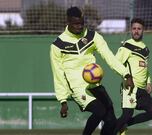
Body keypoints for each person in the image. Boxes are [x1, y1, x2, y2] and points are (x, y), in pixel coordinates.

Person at [50, 7, 134, 135]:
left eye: (82, 23)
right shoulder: (58, 45)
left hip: (94, 83)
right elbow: (58, 73)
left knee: (111, 120)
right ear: (68, 22)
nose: (79, 27)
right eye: (76, 24)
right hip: (77, 87)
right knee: (99, 111)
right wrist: (63, 100)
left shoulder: (93, 36)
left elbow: (109, 57)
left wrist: (126, 74)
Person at [113, 18, 152, 135]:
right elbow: (115, 64)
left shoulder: (145, 49)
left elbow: (145, 68)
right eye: (134, 29)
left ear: (143, 31)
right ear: (131, 30)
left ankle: (122, 125)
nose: (136, 31)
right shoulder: (127, 46)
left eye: (139, 29)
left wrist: (148, 82)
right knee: (127, 114)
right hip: (130, 89)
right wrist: (127, 77)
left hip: (142, 90)